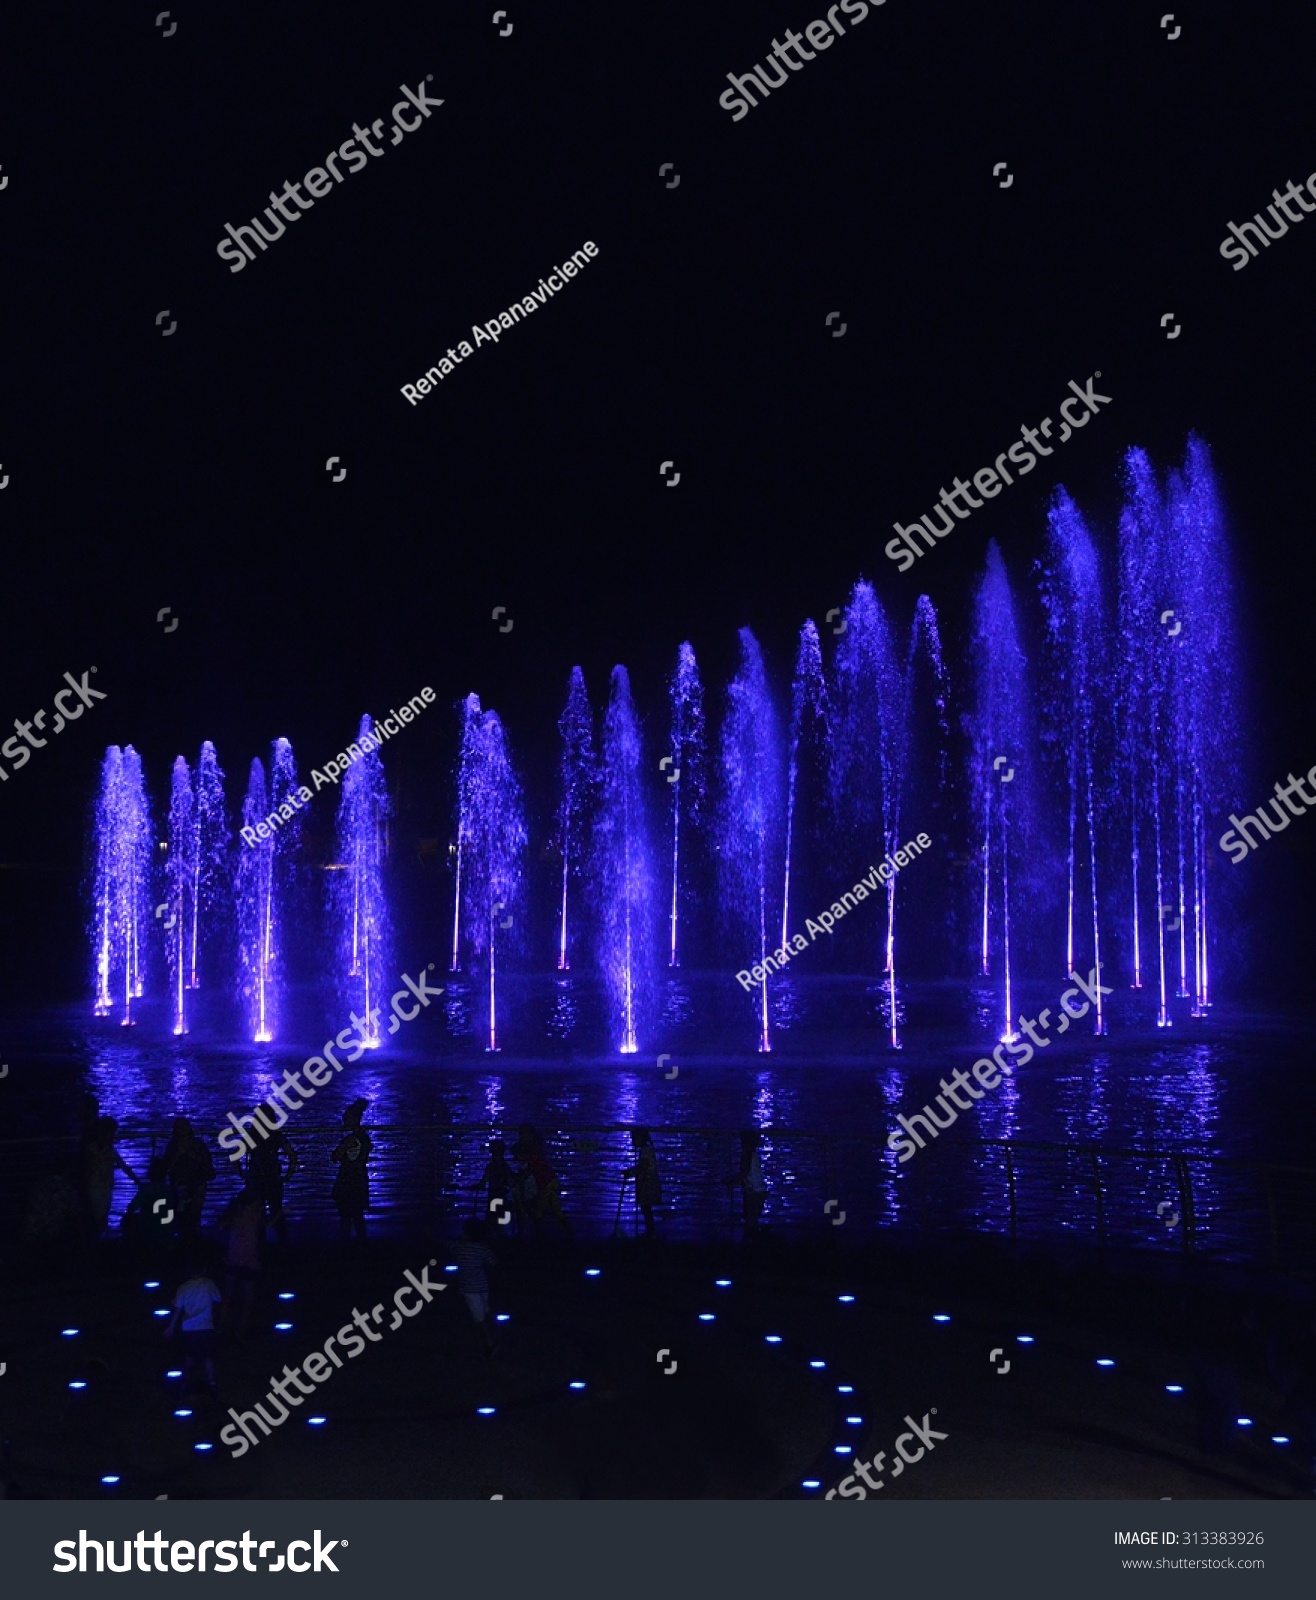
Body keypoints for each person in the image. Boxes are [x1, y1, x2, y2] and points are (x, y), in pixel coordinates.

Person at [165, 1264, 221, 1394]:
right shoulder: (208, 1283)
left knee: (189, 1356)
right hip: (206, 1326)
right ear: (204, 1270)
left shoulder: (184, 1287)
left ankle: (186, 1381)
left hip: (189, 1327)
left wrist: (171, 1327)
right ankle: (212, 1381)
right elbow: (218, 1299)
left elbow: (178, 1309)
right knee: (207, 1356)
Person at [244, 1109, 298, 1243]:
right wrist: (288, 1175)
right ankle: (283, 1244)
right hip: (273, 1177)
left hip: (255, 1178)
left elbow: (235, 1156)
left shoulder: (252, 1136)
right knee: (277, 1210)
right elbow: (291, 1155)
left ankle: (259, 1244)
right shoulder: (276, 1135)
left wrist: (243, 1174)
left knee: (257, 1213)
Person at [218, 1189, 264, 1341]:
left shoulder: (237, 1216)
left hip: (235, 1260)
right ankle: (239, 1333)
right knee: (247, 1301)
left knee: (229, 1298)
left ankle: (221, 1330)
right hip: (247, 1262)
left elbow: (222, 1226)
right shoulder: (253, 1217)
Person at [512, 1124, 573, 1238]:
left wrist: (518, 1177)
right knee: (554, 1211)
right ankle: (570, 1235)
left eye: (522, 1134)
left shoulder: (533, 1151)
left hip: (545, 1183)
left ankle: (541, 1237)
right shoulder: (536, 1148)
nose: (520, 1136)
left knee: (539, 1212)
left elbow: (530, 1167)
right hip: (549, 1181)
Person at [83, 1117, 139, 1238]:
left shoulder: (109, 1150)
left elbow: (122, 1165)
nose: (113, 1136)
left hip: (106, 1187)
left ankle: (101, 1239)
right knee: (97, 1213)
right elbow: (87, 1169)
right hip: (94, 1186)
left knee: (103, 1214)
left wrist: (137, 1181)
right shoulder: (91, 1150)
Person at [452, 1219, 498, 1354]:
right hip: (482, 1284)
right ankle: (494, 1328)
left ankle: (490, 1343)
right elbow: (493, 1262)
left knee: (479, 1317)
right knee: (485, 1308)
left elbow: (448, 1244)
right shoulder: (481, 1248)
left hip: (469, 1288)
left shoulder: (458, 1246)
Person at [330, 1099, 372, 1243]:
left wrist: (338, 1151)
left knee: (346, 1217)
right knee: (358, 1216)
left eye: (346, 1118)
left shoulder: (350, 1139)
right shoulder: (365, 1138)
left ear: (354, 1119)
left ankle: (346, 1247)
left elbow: (335, 1156)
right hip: (360, 1179)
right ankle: (362, 1246)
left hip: (348, 1181)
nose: (344, 1121)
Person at [163, 1118, 215, 1235]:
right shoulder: (173, 1146)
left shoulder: (198, 1145)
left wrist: (193, 1156)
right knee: (181, 1214)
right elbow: (166, 1166)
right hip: (179, 1186)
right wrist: (178, 1155)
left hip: (196, 1185)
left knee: (194, 1215)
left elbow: (207, 1164)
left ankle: (193, 1238)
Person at [121, 1157, 178, 1243]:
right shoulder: (169, 1191)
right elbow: (174, 1209)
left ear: (150, 1173)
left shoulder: (146, 1190)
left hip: (148, 1232)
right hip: (166, 1232)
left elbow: (131, 1208)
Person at [726, 1129, 766, 1238]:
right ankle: (753, 1244)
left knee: (750, 1222)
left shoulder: (747, 1155)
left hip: (753, 1192)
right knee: (752, 1221)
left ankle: (749, 1246)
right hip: (759, 1191)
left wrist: (732, 1181)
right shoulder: (754, 1155)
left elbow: (744, 1173)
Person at [623, 1128, 663, 1237]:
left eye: (634, 1139)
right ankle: (650, 1231)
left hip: (648, 1182)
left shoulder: (646, 1150)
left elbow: (643, 1166)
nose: (633, 1141)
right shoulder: (647, 1149)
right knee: (646, 1207)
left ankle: (650, 1232)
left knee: (646, 1206)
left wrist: (631, 1172)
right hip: (647, 1181)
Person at [477, 1138, 516, 1228]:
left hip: (494, 1196)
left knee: (493, 1220)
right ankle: (501, 1236)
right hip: (503, 1196)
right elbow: (511, 1181)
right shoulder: (505, 1166)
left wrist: (479, 1185)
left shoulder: (491, 1166)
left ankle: (494, 1236)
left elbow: (484, 1181)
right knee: (502, 1221)